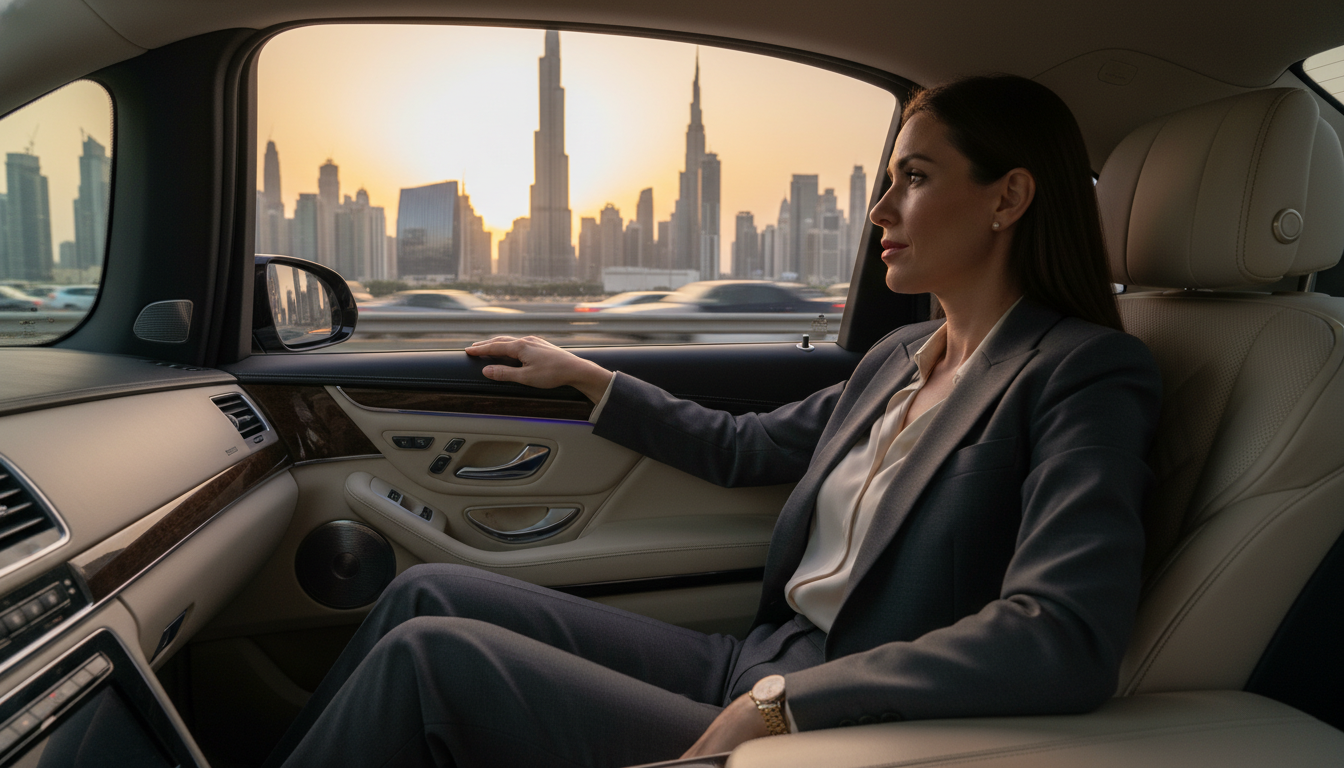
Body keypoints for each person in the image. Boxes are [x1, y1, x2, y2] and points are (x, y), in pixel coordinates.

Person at [267, 74, 1162, 768]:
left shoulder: (1084, 372)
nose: (881, 212)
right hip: (760, 656)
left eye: (914, 180)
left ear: (1008, 199)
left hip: (839, 708)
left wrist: (788, 706)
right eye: (886, 181)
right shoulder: (899, 359)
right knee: (426, 593)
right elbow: (748, 447)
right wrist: (583, 374)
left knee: (430, 663)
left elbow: (1061, 635)